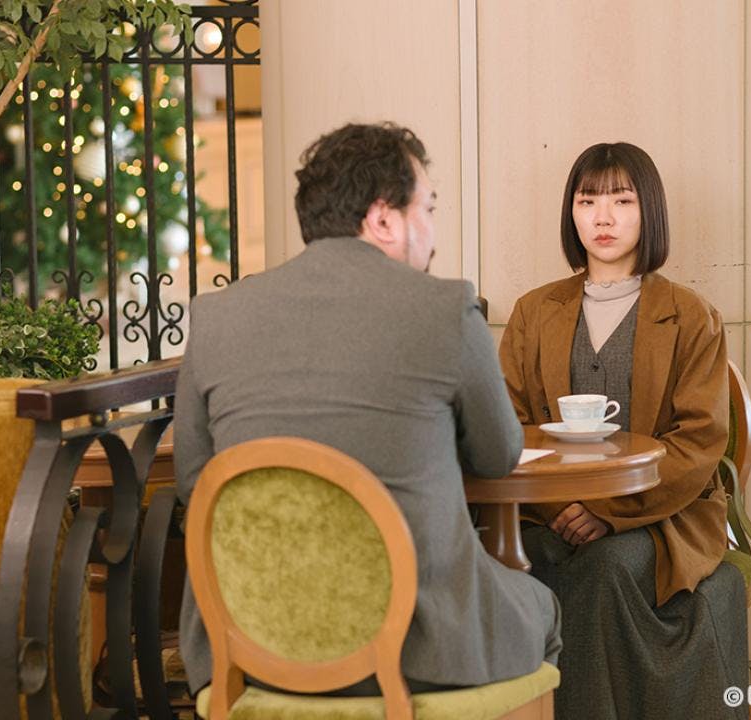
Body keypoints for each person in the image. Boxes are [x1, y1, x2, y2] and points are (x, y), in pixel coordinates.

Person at [175, 122, 561, 697]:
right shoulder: (445, 309)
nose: (432, 231)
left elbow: (193, 481)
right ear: (384, 218)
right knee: (542, 606)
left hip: (247, 648)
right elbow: (498, 454)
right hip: (417, 646)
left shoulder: (216, 316)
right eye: (427, 207)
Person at [499, 142, 747, 719]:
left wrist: (608, 512)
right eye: (587, 201)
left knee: (602, 569)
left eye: (622, 200)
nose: (603, 217)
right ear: (571, 213)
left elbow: (699, 441)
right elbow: (508, 425)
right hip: (548, 511)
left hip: (664, 517)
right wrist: (559, 507)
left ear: (648, 210)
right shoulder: (533, 312)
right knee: (513, 560)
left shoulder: (691, 316)